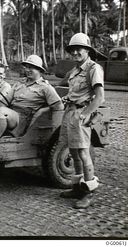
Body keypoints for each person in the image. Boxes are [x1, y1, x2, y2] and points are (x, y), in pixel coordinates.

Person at [58, 33, 105, 209]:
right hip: (71, 113)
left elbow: (99, 97)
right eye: (73, 49)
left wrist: (85, 114)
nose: (76, 52)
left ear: (87, 50)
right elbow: (74, 92)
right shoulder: (76, 70)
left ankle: (89, 192)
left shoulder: (93, 68)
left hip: (81, 114)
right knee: (74, 153)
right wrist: (66, 99)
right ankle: (77, 187)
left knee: (84, 154)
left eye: (79, 49)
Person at [0, 55, 63, 139]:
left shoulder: (45, 87)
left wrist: (43, 110)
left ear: (39, 70)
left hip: (24, 118)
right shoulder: (19, 83)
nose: (27, 70)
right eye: (26, 67)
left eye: (31, 67)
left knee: (2, 111)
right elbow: (4, 101)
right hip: (11, 113)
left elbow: (59, 106)